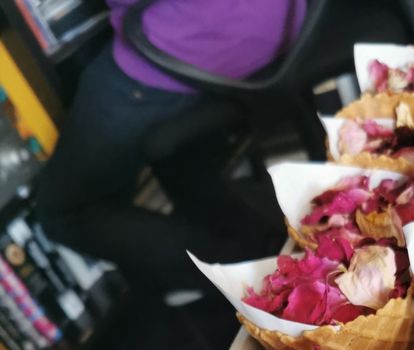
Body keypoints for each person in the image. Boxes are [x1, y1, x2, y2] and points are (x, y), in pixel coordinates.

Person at [35, 0, 306, 300]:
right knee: (174, 152)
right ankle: (259, 244)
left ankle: (256, 277)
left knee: (63, 210)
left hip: (195, 46)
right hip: (281, 24)